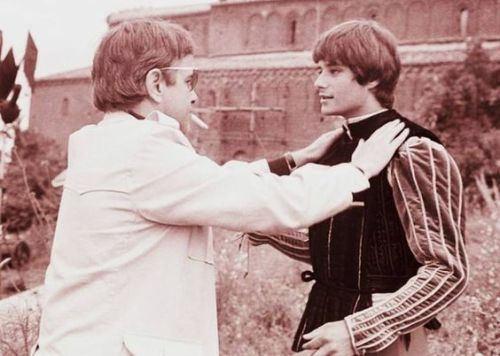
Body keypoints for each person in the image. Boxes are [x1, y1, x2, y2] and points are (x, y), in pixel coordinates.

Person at [34, 20, 408, 356]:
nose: (196, 96)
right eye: (189, 81)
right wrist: (356, 170)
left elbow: (212, 183)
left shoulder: (105, 143)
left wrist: (293, 159)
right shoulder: (143, 154)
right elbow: (270, 203)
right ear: (155, 84)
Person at [247, 20, 468, 356]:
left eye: (333, 71)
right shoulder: (336, 146)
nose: (318, 82)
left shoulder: (414, 150)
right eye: (319, 70)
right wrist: (259, 223)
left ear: (373, 77)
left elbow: (447, 270)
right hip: (324, 322)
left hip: (385, 339)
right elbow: (344, 247)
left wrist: (360, 330)